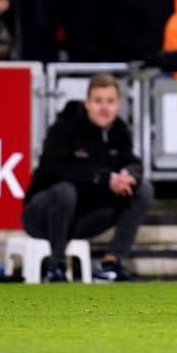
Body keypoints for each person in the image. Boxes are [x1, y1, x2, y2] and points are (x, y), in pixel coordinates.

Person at [22, 73, 154, 282]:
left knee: (143, 189)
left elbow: (133, 161)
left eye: (110, 101)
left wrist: (128, 175)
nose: (104, 108)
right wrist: (104, 178)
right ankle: (55, 266)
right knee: (65, 191)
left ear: (118, 104)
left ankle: (111, 264)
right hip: (41, 216)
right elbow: (54, 169)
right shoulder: (65, 127)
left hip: (83, 218)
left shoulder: (118, 130)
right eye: (98, 101)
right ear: (87, 103)